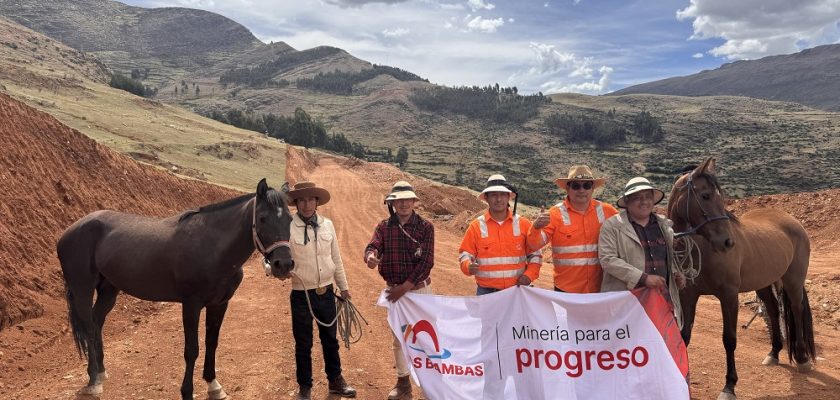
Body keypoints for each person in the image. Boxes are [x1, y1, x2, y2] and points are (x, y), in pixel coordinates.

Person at [364, 180, 435, 400]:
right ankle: (403, 383)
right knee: (399, 337)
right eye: (398, 200)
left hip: (418, 291)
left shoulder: (426, 227)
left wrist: (405, 288)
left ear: (414, 202)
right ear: (392, 203)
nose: (403, 204)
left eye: (407, 199)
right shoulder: (384, 227)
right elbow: (372, 245)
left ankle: (431, 385)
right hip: (395, 291)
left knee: (427, 337)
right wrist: (370, 256)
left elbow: (426, 262)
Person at [286, 181, 356, 400]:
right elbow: (270, 258)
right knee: (303, 343)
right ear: (296, 203)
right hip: (301, 294)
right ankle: (305, 387)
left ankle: (335, 381)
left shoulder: (328, 225)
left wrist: (343, 288)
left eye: (310, 199)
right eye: (302, 200)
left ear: (317, 202)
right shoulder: (287, 226)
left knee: (330, 339)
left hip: (326, 291)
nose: (307, 204)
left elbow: (336, 257)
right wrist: (273, 270)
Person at [598, 177, 685, 328]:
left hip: (661, 301)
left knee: (660, 344)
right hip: (626, 303)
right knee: (628, 347)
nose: (644, 202)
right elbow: (608, 260)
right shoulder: (612, 226)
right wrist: (643, 278)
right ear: (627, 202)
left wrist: (676, 274)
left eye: (647, 197)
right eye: (637, 198)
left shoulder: (664, 226)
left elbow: (667, 258)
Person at [527, 165, 618, 293]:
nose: (581, 190)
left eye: (586, 185)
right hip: (567, 290)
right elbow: (534, 244)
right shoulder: (554, 214)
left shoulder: (608, 211)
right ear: (567, 188)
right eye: (576, 185)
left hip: (601, 289)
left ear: (592, 189)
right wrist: (536, 228)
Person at [459, 174, 542, 295]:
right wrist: (468, 266)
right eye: (494, 195)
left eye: (502, 194)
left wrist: (529, 276)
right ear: (486, 198)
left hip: (518, 290)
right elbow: (465, 254)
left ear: (508, 197)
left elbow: (535, 255)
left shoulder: (523, 224)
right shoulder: (476, 227)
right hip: (486, 293)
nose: (498, 199)